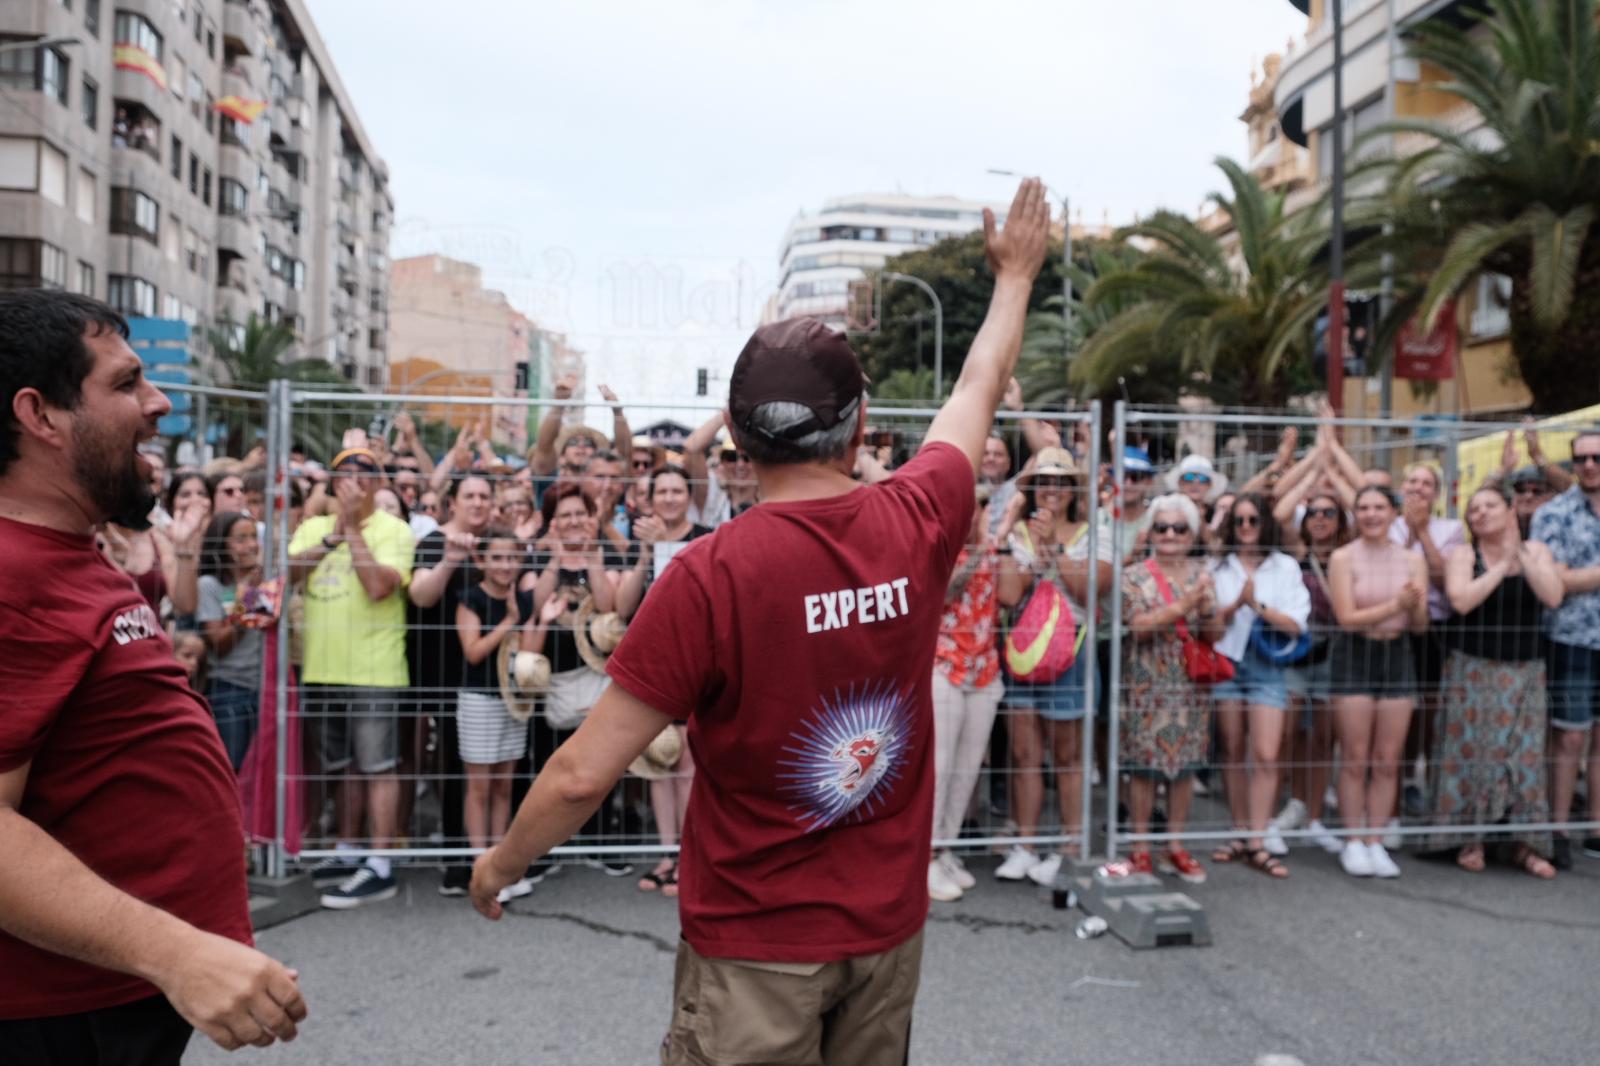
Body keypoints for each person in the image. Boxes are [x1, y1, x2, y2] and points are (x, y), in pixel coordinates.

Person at [469, 177, 1050, 1065]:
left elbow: (585, 772)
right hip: (887, 932)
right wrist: (1013, 277)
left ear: (736, 439)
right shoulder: (920, 513)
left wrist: (500, 863)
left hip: (754, 945)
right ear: (858, 428)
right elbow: (977, 386)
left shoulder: (709, 574)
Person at [0, 289, 305, 1058]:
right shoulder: (12, 574)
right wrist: (173, 951)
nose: (159, 402)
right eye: (127, 383)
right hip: (62, 1017)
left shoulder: (74, 551)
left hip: (114, 996)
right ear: (40, 416)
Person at [288, 445, 416, 909]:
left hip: (374, 671)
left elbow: (380, 586)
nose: (354, 482)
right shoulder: (313, 528)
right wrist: (331, 537)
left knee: (378, 767)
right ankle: (348, 849)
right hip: (323, 667)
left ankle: (381, 864)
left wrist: (353, 532)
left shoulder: (394, 530)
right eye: (344, 473)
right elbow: (287, 576)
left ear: (379, 483)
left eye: (365, 474)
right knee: (341, 767)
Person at [1428, 486, 1562, 877]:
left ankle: (1525, 843)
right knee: (1475, 755)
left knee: (1524, 756)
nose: (1481, 513)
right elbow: (1462, 600)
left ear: (1510, 511)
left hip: (1525, 670)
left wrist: (1518, 553)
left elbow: (1552, 596)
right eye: (1475, 509)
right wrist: (1501, 567)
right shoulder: (1464, 555)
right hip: (1474, 668)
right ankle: (1471, 838)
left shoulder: (1536, 552)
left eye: (1491, 506)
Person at [992, 447, 1110, 887]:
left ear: (1074, 490)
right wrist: (1014, 537)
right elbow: (1008, 594)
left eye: (1061, 482)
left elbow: (1089, 590)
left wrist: (1054, 547)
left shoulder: (1093, 532)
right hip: (1025, 651)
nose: (1053, 489)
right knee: (1024, 755)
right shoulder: (1021, 533)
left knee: (1068, 758)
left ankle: (1069, 847)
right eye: (1045, 481)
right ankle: (1025, 845)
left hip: (1071, 652)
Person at [1119, 493, 1222, 883]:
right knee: (1144, 769)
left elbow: (1215, 634)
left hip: (1191, 687)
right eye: (1161, 527)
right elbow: (1139, 626)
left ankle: (1175, 845)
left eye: (1179, 528)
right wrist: (1184, 606)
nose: (1169, 534)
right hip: (1148, 685)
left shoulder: (1203, 574)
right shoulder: (1134, 576)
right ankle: (1140, 848)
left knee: (1185, 768)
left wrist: (1208, 608)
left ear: (1192, 533)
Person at [1328, 486, 1429, 878]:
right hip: (1355, 654)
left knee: (1388, 760)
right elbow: (1346, 617)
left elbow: (1419, 625)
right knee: (1354, 757)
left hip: (1398, 654)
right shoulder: (1343, 557)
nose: (1371, 514)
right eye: (1364, 508)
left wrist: (1415, 607)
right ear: (1356, 514)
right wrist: (1395, 606)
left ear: (1394, 513)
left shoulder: (1412, 559)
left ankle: (1375, 839)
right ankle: (1353, 840)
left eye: (1379, 507)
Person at [928, 487, 1022, 902]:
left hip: (984, 669)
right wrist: (992, 538)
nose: (970, 517)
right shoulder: (937, 547)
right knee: (940, 767)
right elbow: (945, 591)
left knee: (967, 769)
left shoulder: (991, 547)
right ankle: (925, 858)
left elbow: (1011, 595)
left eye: (976, 510)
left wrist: (999, 544)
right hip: (945, 666)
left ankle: (946, 849)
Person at [1209, 494, 1310, 879]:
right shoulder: (1220, 567)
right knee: (1233, 750)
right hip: (1229, 662)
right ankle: (1240, 833)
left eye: (1253, 520)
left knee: (1267, 754)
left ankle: (1257, 838)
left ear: (1266, 523)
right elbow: (1212, 625)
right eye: (1239, 521)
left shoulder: (1285, 566)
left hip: (1268, 665)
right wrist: (1236, 605)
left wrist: (1257, 606)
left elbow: (1297, 623)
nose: (1247, 527)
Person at [407, 475, 495, 896]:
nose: (477, 502)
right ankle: (458, 862)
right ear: (452, 502)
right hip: (443, 673)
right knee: (454, 769)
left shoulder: (498, 543)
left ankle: (494, 857)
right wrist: (451, 559)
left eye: (484, 496)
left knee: (493, 771)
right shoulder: (431, 542)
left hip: (490, 675)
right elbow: (421, 595)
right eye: (470, 496)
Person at [1530, 428, 1600, 869]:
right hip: (1571, 638)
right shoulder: (1552, 514)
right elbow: (1552, 585)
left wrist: (1579, 575)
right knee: (1569, 735)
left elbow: (1568, 577)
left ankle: (1596, 828)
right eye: (1581, 459)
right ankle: (1555, 828)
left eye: (1597, 457)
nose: (1590, 466)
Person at [455, 532, 542, 870]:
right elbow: (473, 652)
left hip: (514, 701)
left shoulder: (523, 600)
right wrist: (508, 621)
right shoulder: (470, 599)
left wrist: (536, 619)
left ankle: (500, 860)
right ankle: (480, 862)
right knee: (479, 787)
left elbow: (530, 653)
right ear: (482, 561)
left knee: (504, 785)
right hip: (479, 700)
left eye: (511, 558)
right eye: (497, 558)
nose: (506, 566)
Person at [1391, 462, 1466, 826]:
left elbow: (1443, 580)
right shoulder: (1387, 523)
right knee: (1396, 705)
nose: (1419, 488)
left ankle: (1418, 779)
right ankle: (1398, 778)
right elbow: (1391, 571)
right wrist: (1407, 531)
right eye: (1413, 481)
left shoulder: (1450, 529)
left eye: (1427, 483)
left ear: (1436, 493)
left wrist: (1422, 531)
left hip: (1435, 627)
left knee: (1428, 707)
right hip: (1393, 624)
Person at [1276, 491, 1349, 854]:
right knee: (1290, 733)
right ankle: (1296, 802)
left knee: (1323, 738)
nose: (1320, 519)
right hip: (1297, 655)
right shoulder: (1295, 558)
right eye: (1313, 513)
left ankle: (1315, 818)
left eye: (1329, 513)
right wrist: (1317, 456)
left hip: (1335, 655)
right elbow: (1278, 512)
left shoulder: (1349, 558)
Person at [196, 510, 265, 770]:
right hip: (229, 689)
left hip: (263, 687)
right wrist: (248, 598)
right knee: (232, 769)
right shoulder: (209, 585)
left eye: (253, 536)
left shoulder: (266, 580)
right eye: (240, 539)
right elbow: (219, 644)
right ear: (221, 544)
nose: (250, 545)